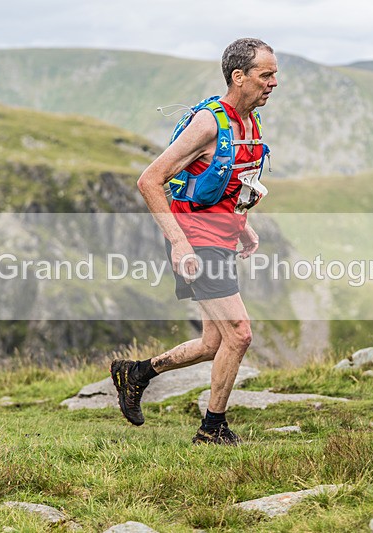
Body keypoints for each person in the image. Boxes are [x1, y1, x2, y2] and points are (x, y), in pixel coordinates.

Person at [111, 37, 278, 445]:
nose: (273, 82)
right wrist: (179, 243)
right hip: (198, 244)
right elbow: (149, 180)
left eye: (275, 74)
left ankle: (136, 373)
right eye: (266, 74)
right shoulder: (208, 123)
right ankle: (212, 428)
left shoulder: (250, 120)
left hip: (222, 238)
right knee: (239, 334)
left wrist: (243, 224)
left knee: (213, 342)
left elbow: (229, 180)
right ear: (239, 77)